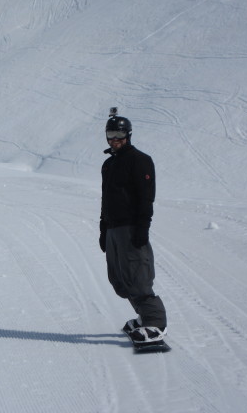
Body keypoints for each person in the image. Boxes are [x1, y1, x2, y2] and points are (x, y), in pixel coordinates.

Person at [99, 112, 167, 343]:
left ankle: (156, 323)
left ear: (128, 134)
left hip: (131, 227)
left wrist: (142, 228)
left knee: (138, 277)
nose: (114, 139)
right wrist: (103, 228)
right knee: (119, 279)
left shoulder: (140, 160)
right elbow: (105, 198)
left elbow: (146, 197)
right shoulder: (108, 164)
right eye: (111, 134)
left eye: (119, 134)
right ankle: (143, 317)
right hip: (113, 229)